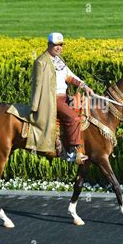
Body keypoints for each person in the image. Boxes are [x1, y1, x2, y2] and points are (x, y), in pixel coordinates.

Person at [29, 32, 94, 163]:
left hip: (64, 97)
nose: (59, 48)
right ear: (49, 45)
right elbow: (36, 85)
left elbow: (69, 76)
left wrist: (84, 86)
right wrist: (35, 106)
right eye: (56, 45)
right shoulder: (41, 62)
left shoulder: (59, 60)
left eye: (61, 45)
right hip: (52, 99)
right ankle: (73, 153)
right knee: (74, 118)